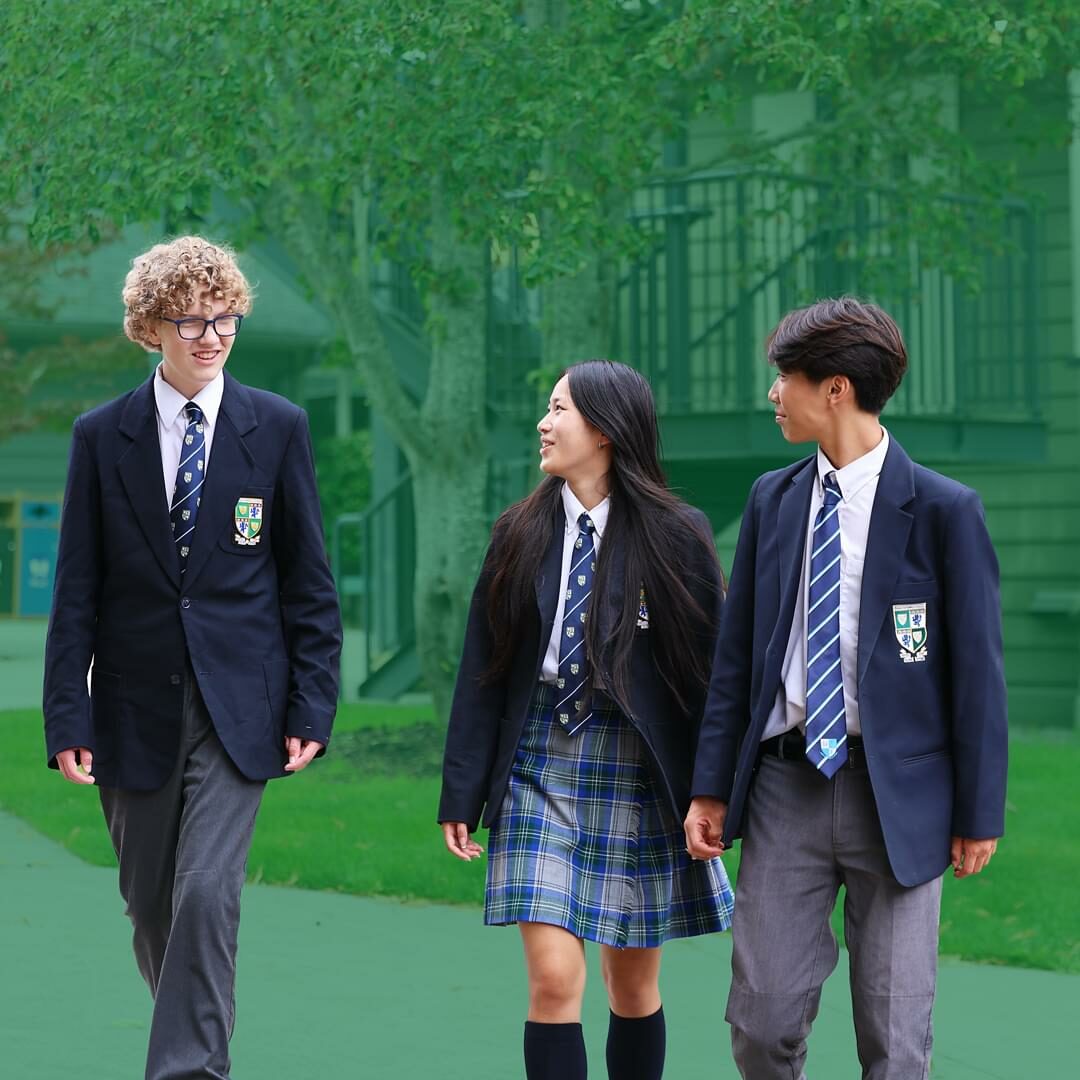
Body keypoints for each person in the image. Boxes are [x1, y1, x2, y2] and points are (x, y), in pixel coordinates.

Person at [42, 236, 342, 1080]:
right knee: (151, 906)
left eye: (226, 320)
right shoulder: (101, 438)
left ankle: (189, 1070)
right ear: (149, 328)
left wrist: (312, 705)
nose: (211, 336)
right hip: (131, 708)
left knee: (208, 891)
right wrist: (67, 711)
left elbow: (308, 584)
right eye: (191, 321)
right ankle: (195, 1041)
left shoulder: (276, 427)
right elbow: (75, 593)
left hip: (240, 708)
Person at [685, 297, 1007, 1079]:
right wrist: (710, 790)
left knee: (895, 1046)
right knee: (760, 1023)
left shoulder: (944, 510)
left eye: (782, 378)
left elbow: (978, 675)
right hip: (785, 788)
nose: (772, 394)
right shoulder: (773, 499)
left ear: (834, 389)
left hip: (902, 802)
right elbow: (738, 661)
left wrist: (977, 813)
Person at [439, 359, 733, 1080]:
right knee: (553, 982)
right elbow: (483, 672)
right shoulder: (517, 532)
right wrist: (462, 792)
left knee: (630, 987)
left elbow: (709, 678)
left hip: (638, 773)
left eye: (559, 408)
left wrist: (712, 790)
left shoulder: (676, 534)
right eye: (547, 406)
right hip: (538, 762)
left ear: (604, 429)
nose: (544, 422)